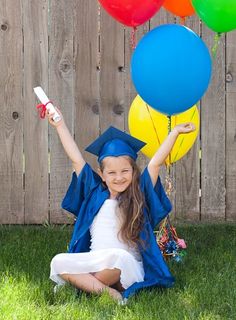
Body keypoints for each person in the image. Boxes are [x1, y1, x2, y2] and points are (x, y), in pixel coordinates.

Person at [48, 108, 195, 302]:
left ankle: (83, 285)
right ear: (101, 174)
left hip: (125, 266)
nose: (119, 178)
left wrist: (174, 132)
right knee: (57, 261)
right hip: (96, 262)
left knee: (118, 256)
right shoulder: (94, 191)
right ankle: (109, 292)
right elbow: (76, 158)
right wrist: (59, 125)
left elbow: (155, 164)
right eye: (112, 173)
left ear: (134, 172)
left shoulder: (139, 193)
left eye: (125, 171)